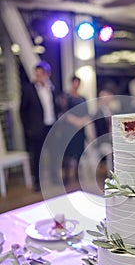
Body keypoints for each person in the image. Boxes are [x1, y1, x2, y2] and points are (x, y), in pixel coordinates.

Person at [20, 60, 59, 192]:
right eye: (36, 74)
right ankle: (37, 182)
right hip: (37, 129)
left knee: (54, 153)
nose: (38, 77)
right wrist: (27, 129)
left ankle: (55, 177)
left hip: (51, 126)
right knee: (37, 156)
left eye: (40, 74)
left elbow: (55, 107)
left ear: (47, 74)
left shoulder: (51, 88)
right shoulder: (28, 89)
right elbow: (22, 111)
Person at [59, 76, 90, 185]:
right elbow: (64, 113)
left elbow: (87, 114)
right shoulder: (66, 97)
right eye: (74, 83)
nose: (76, 85)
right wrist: (76, 121)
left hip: (80, 130)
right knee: (68, 154)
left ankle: (77, 174)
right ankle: (66, 176)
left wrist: (82, 122)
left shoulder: (83, 98)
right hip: (69, 130)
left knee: (78, 153)